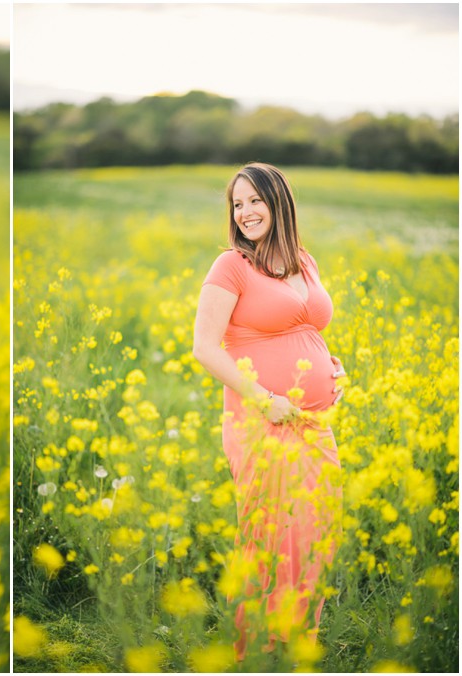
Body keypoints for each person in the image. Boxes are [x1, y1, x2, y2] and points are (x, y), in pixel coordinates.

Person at [192, 163, 344, 658]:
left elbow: (307, 329)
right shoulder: (230, 266)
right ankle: (256, 647)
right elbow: (206, 348)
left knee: (316, 528)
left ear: (279, 202)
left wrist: (331, 365)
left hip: (313, 422)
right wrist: (265, 399)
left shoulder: (305, 260)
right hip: (261, 420)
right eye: (238, 204)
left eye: (255, 200)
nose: (245, 212)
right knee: (271, 534)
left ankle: (298, 643)